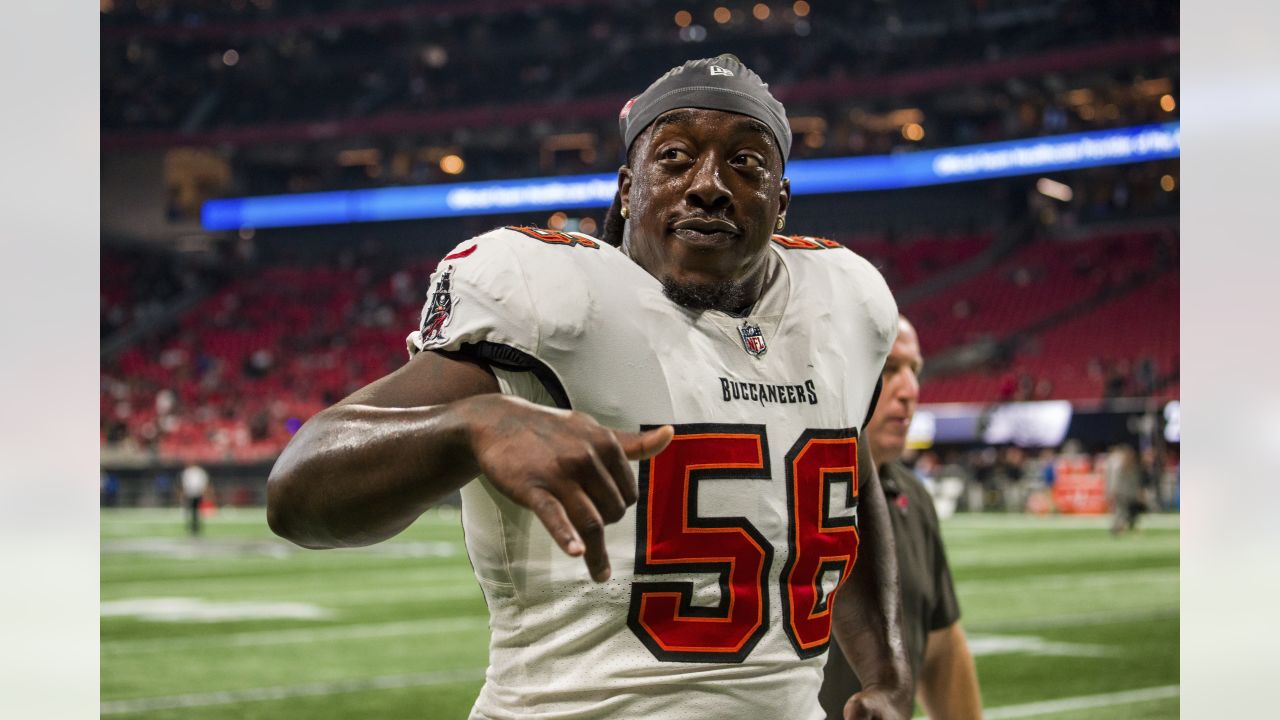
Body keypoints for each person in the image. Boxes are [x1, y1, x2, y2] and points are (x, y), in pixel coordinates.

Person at [268, 55, 911, 720]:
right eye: (676, 156)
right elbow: (298, 492)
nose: (709, 185)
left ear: (780, 202)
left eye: (745, 162)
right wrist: (472, 426)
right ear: (628, 190)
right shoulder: (554, 299)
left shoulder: (841, 298)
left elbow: (850, 487)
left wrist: (890, 671)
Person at [819, 316, 983, 720]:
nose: (910, 390)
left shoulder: (913, 496)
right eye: (890, 369)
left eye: (915, 370)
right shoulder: (791, 487)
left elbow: (942, 647)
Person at [180, 463, 209, 536]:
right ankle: (190, 526)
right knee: (189, 511)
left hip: (198, 493)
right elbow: (185, 483)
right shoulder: (187, 472)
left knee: (197, 511)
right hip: (190, 493)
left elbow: (203, 482)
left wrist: (202, 491)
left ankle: (196, 526)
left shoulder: (200, 472)